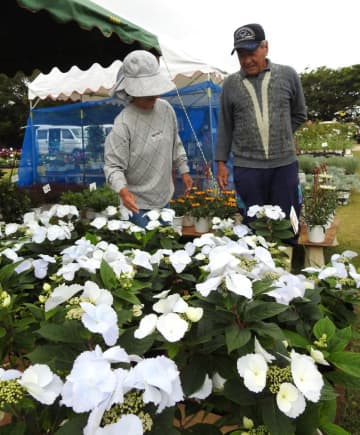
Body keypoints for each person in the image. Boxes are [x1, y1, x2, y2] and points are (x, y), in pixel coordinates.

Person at [215, 23, 307, 244]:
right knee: (252, 223)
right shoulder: (230, 84)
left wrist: (282, 136)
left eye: (251, 52)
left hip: (284, 166)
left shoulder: (288, 75)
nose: (247, 60)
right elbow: (225, 126)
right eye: (241, 54)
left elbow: (299, 114)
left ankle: (285, 265)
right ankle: (257, 271)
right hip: (247, 168)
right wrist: (220, 163)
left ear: (265, 47)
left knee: (288, 220)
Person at [104, 50, 193, 228]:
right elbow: (112, 166)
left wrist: (184, 170)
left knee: (166, 250)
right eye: (147, 92)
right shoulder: (123, 123)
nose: (154, 95)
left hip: (165, 199)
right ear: (131, 90)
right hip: (137, 206)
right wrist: (123, 191)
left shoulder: (166, 110)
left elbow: (175, 142)